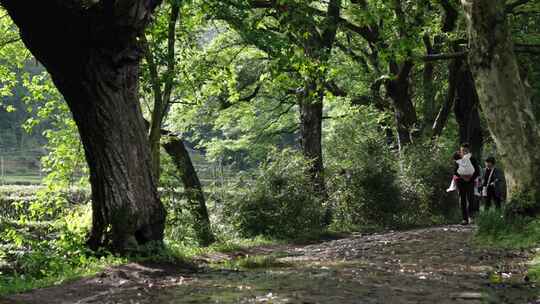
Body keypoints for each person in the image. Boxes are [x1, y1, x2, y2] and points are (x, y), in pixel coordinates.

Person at [454, 143, 480, 225]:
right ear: (460, 150)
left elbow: (477, 171)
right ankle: (464, 219)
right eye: (462, 150)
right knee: (462, 200)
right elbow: (455, 171)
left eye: (466, 150)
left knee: (471, 199)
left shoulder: (473, 159)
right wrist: (463, 177)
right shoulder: (458, 159)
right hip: (460, 182)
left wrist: (469, 179)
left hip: (470, 182)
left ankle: (471, 217)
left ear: (468, 150)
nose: (464, 152)